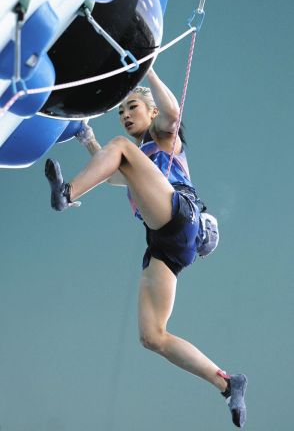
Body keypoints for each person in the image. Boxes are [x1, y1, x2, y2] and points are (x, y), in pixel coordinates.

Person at [45, 68, 247, 428]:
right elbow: (112, 174)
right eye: (121, 111)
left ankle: (66, 194)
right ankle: (227, 382)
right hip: (168, 243)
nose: (124, 114)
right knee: (152, 335)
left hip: (178, 216)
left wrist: (147, 67)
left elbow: (171, 112)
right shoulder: (139, 157)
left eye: (131, 106)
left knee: (121, 148)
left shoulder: (163, 137)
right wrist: (87, 138)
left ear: (151, 113)